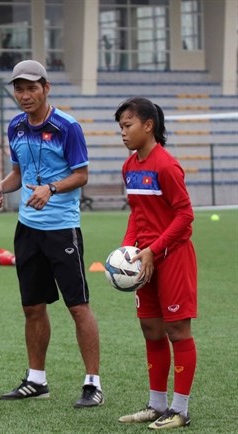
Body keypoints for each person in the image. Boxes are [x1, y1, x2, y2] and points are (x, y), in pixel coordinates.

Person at [0, 60, 103, 408]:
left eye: (31, 88)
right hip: (27, 230)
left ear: (46, 88)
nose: (25, 95)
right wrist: (0, 188)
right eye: (19, 89)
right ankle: (36, 380)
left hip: (62, 229)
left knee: (78, 307)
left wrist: (51, 189)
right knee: (33, 307)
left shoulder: (67, 126)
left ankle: (92, 384)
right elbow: (18, 174)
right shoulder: (15, 127)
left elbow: (81, 175)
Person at [114, 97, 198, 430]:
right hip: (143, 259)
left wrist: (155, 249)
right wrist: (126, 250)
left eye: (128, 125)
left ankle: (180, 410)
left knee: (177, 330)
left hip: (172, 256)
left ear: (148, 126)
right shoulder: (130, 166)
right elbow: (137, 212)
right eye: (120, 126)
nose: (122, 133)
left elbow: (185, 216)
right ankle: (156, 405)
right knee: (151, 329)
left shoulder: (166, 165)